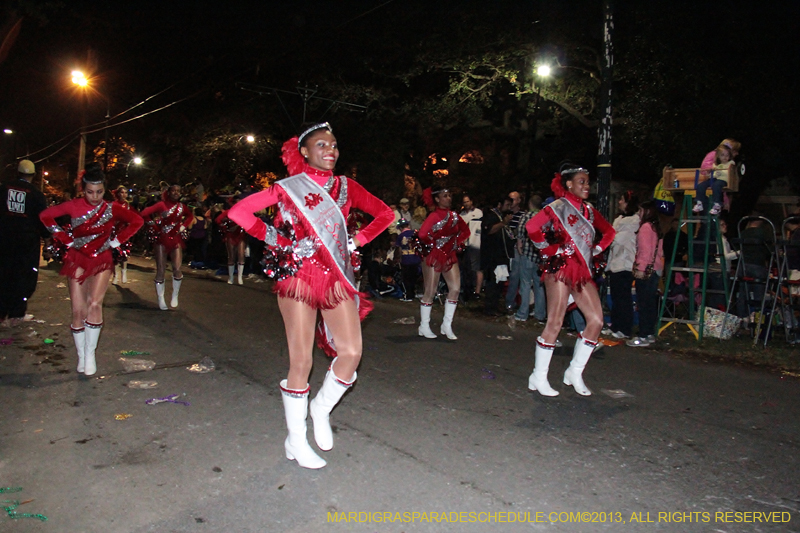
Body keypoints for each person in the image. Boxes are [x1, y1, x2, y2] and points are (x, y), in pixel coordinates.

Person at [228, 123, 393, 469]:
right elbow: (238, 212)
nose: (331, 150)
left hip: (335, 277)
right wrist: (277, 239)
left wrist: (357, 241)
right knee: (301, 361)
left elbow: (385, 214)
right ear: (303, 151)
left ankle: (320, 408)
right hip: (298, 278)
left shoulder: (347, 187)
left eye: (334, 144)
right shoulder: (289, 188)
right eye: (322, 144)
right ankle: (295, 439)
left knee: (351, 352)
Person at [39, 163, 143, 375]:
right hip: (76, 258)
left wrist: (116, 242)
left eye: (99, 192)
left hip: (102, 259)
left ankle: (90, 354)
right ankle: (81, 355)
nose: (94, 196)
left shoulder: (112, 208)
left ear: (105, 190)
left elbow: (137, 221)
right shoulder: (73, 205)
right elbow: (45, 216)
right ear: (83, 189)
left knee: (94, 304)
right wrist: (65, 239)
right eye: (90, 192)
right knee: (78, 310)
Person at [525, 163, 615, 396]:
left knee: (596, 320)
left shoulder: (590, 211)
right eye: (581, 182)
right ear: (568, 184)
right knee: (555, 322)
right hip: (560, 269)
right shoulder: (558, 207)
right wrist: (548, 250)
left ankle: (574, 372)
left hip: (582, 270)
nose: (586, 186)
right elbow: (532, 227)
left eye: (587, 182)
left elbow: (610, 232)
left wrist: (596, 250)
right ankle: (538, 375)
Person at [0, 159, 49, 327]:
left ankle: (2, 311)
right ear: (33, 175)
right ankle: (17, 312)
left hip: (4, 239)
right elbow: (43, 219)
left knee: (4, 274)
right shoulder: (35, 194)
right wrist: (47, 240)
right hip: (26, 243)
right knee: (23, 276)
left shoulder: (3, 188)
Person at [417, 186, 470, 339]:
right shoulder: (434, 216)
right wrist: (434, 243)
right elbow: (422, 234)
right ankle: (424, 325)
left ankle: (446, 325)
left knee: (455, 289)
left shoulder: (454, 216)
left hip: (449, 255)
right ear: (437, 199)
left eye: (449, 195)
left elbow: (465, 231)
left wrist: (456, 243)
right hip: (434, 255)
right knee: (430, 291)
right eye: (445, 196)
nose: (448, 198)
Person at [140, 184, 193, 310]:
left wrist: (183, 226)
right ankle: (161, 298)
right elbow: (144, 213)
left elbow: (190, 216)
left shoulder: (182, 207)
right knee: (161, 269)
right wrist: (154, 225)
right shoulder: (161, 205)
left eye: (178, 191)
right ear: (168, 193)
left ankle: (175, 294)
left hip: (176, 239)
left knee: (177, 268)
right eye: (173, 191)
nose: (176, 193)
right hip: (161, 239)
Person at [626, 201, 664, 347]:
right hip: (656, 268)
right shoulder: (656, 228)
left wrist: (641, 268)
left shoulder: (645, 228)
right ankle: (649, 333)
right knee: (650, 303)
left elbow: (644, 250)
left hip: (646, 269)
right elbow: (658, 251)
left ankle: (642, 335)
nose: (639, 213)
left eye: (641, 210)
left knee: (643, 303)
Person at [606, 190, 640, 339]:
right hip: (615, 265)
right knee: (616, 298)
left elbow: (615, 241)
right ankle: (616, 326)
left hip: (625, 265)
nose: (619, 202)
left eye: (622, 200)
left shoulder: (631, 224)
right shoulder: (620, 222)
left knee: (623, 299)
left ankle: (624, 329)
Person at [513, 195, 546, 322]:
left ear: (530, 204)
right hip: (540, 256)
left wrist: (520, 248)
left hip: (527, 254)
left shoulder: (525, 217)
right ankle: (540, 314)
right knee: (539, 285)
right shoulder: (544, 217)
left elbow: (520, 235)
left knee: (525, 284)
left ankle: (523, 313)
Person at [480, 196, 514, 315]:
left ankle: (495, 306)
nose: (509, 208)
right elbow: (489, 230)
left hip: (501, 256)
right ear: (499, 204)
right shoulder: (491, 216)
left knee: (500, 282)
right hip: (492, 256)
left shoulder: (501, 217)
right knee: (492, 283)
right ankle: (489, 308)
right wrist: (503, 223)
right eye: (507, 205)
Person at [693, 142, 736, 216]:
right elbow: (714, 174)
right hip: (715, 179)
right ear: (718, 156)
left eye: (727, 155)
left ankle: (717, 205)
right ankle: (699, 202)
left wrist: (720, 172)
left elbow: (729, 173)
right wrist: (709, 174)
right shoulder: (716, 165)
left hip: (723, 180)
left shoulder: (730, 164)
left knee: (716, 186)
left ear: (730, 156)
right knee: (701, 185)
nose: (725, 157)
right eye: (722, 155)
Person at [215, 197, 247, 285]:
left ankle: (240, 277)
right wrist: (225, 227)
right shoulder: (228, 212)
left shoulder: (244, 212)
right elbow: (218, 220)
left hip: (240, 235)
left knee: (241, 254)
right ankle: (231, 277)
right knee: (231, 256)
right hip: (230, 235)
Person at [504, 191, 525, 313]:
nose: (511, 202)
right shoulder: (504, 215)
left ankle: (511, 302)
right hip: (505, 249)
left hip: (516, 249)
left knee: (515, 275)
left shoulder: (522, 215)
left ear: (519, 201)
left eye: (514, 199)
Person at [459, 194, 483, 299]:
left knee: (476, 268)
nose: (466, 204)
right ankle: (466, 289)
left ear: (471, 201)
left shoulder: (478, 213)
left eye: (467, 201)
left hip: (476, 243)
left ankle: (477, 291)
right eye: (464, 202)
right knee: (466, 268)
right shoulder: (461, 215)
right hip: (465, 245)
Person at [110, 186, 134, 284]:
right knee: (115, 254)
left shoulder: (128, 205)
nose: (123, 195)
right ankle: (115, 275)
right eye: (122, 192)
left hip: (124, 231)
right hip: (115, 231)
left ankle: (124, 272)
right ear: (118, 194)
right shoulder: (113, 204)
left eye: (125, 193)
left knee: (124, 253)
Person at [394, 218, 420, 301]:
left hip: (406, 259)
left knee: (406, 278)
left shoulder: (400, 236)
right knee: (414, 277)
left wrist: (398, 258)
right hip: (416, 259)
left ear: (400, 228)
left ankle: (409, 295)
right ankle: (414, 293)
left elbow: (399, 249)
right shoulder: (415, 233)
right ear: (408, 225)